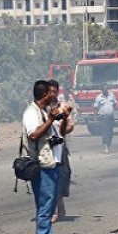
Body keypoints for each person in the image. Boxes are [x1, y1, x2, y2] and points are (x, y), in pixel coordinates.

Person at [22, 80, 68, 234]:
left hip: (52, 164)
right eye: (51, 93)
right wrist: (50, 119)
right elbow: (33, 134)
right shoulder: (31, 113)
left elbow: (59, 135)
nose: (54, 96)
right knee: (46, 208)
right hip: (42, 166)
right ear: (44, 95)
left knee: (46, 207)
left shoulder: (43, 112)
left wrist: (57, 118)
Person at [48, 79, 74, 223]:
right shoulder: (42, 109)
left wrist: (60, 130)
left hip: (61, 149)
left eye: (54, 91)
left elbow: (70, 126)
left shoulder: (63, 107)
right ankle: (54, 210)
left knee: (62, 177)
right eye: (49, 91)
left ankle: (60, 204)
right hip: (46, 150)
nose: (52, 94)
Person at [94, 84, 117, 154]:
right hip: (103, 117)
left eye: (106, 89)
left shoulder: (112, 96)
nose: (105, 90)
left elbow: (115, 104)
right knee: (105, 132)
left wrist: (112, 110)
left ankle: (108, 146)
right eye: (104, 89)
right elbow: (95, 108)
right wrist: (95, 118)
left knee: (110, 132)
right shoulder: (98, 97)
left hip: (111, 117)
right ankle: (106, 147)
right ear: (102, 90)